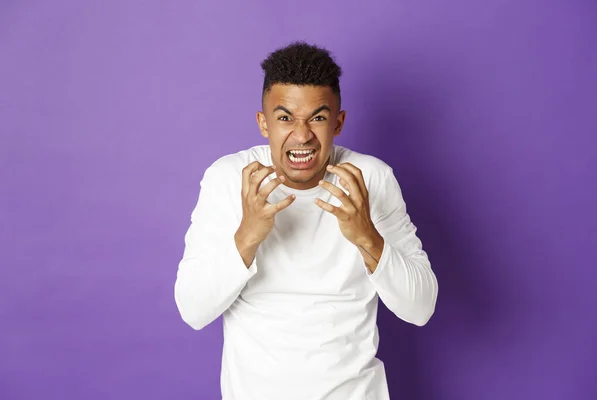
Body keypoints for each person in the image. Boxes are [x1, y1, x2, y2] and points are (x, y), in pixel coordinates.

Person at [174, 41, 438, 400]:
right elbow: (193, 309)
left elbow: (420, 308)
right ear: (263, 124)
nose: (302, 136)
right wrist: (247, 237)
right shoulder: (229, 178)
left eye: (317, 117)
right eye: (285, 118)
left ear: (338, 123)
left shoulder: (371, 179)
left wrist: (367, 237)